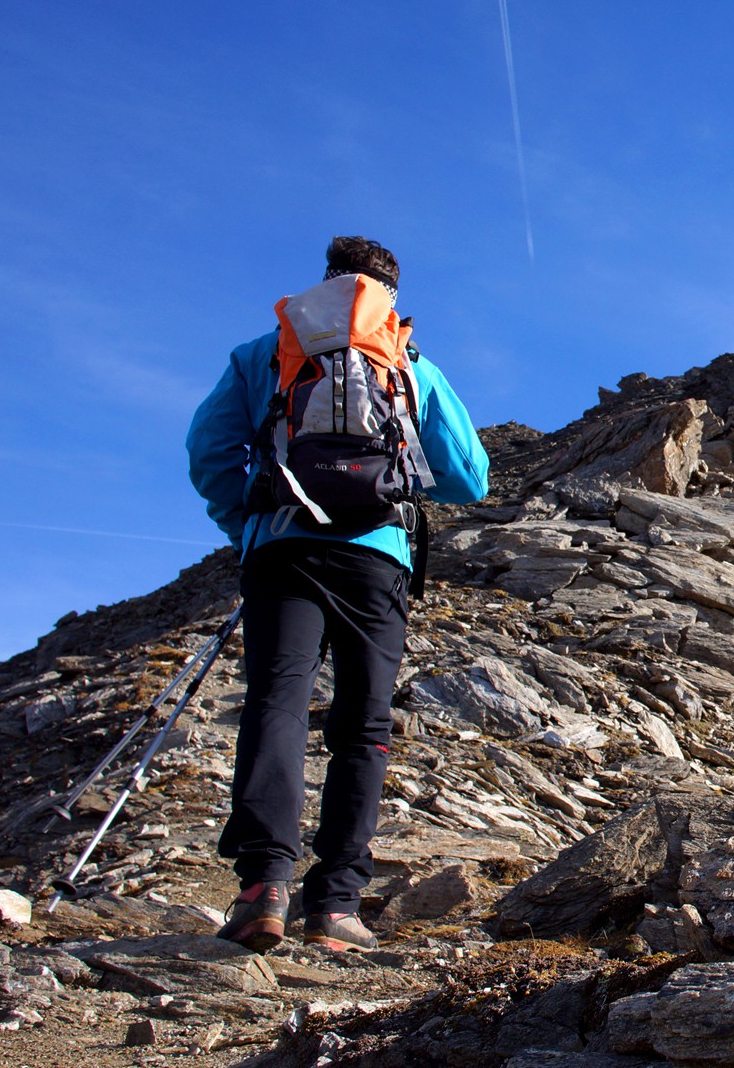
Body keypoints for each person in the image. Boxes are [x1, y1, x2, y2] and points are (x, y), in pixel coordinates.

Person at [186, 236, 489, 951]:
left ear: (324, 281)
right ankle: (336, 906)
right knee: (363, 725)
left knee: (278, 701)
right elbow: (470, 478)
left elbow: (209, 453)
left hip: (282, 550)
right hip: (375, 557)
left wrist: (249, 523)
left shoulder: (266, 351)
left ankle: (262, 886)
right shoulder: (409, 363)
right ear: (392, 291)